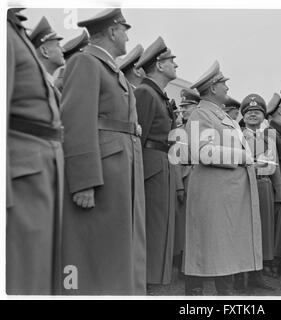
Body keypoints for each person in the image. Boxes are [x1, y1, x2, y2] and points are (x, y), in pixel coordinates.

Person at [61, 8, 146, 295]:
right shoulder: (86, 63)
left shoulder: (107, 67)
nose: (126, 36)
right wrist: (84, 180)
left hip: (119, 165)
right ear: (112, 31)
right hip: (105, 169)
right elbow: (76, 121)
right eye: (124, 29)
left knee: (117, 243)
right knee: (101, 246)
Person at [183, 61, 262, 295]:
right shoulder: (200, 114)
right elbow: (203, 151)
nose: (227, 87)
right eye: (223, 83)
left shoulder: (219, 115)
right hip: (215, 195)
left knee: (225, 252)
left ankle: (224, 295)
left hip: (225, 196)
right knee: (212, 251)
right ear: (213, 88)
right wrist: (243, 157)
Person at [7, 8, 64, 295]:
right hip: (21, 174)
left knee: (39, 271)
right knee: (22, 274)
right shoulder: (6, 34)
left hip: (36, 171)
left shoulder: (13, 30)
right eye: (55, 42)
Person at [133, 36, 178, 290]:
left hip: (161, 163)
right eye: (171, 60)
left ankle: (153, 281)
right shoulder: (145, 92)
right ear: (159, 65)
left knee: (160, 227)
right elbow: (138, 138)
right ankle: (145, 282)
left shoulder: (156, 94)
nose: (175, 65)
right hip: (150, 167)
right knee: (151, 227)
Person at [233, 94, 281, 292]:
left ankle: (256, 276)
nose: (253, 115)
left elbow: (275, 167)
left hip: (264, 187)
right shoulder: (236, 136)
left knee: (263, 233)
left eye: (257, 112)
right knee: (243, 231)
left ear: (263, 116)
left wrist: (278, 194)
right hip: (244, 187)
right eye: (249, 112)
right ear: (243, 116)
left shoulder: (268, 137)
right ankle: (238, 277)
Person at [172, 88, 200, 275]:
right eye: (183, 107)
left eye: (188, 106)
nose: (184, 110)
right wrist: (179, 186)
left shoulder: (205, 128)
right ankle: (184, 267)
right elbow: (174, 160)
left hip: (204, 179)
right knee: (185, 227)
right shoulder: (178, 131)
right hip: (186, 178)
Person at [266, 93, 281, 277]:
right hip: (279, 179)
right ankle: (272, 261)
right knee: (275, 222)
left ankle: (278, 261)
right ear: (278, 110)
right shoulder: (271, 131)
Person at [29, 16, 65, 101]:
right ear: (45, 51)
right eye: (58, 45)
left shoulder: (47, 84)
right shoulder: (37, 86)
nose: (63, 50)